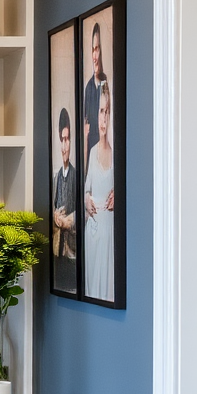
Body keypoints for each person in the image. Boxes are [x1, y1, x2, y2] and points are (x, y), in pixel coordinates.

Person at [83, 81, 115, 301]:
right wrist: (86, 198)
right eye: (100, 111)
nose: (103, 118)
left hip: (109, 232)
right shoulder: (92, 152)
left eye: (107, 111)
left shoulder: (117, 156)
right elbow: (85, 187)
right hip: (92, 233)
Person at [52, 106, 77, 293]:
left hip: (73, 252)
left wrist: (70, 221)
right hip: (57, 252)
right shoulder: (57, 177)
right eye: (62, 140)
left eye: (67, 140)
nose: (64, 146)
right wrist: (55, 217)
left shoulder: (77, 176)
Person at [83, 21, 107, 168]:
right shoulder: (88, 89)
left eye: (97, 49)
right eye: (93, 50)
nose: (94, 56)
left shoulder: (106, 87)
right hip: (92, 163)